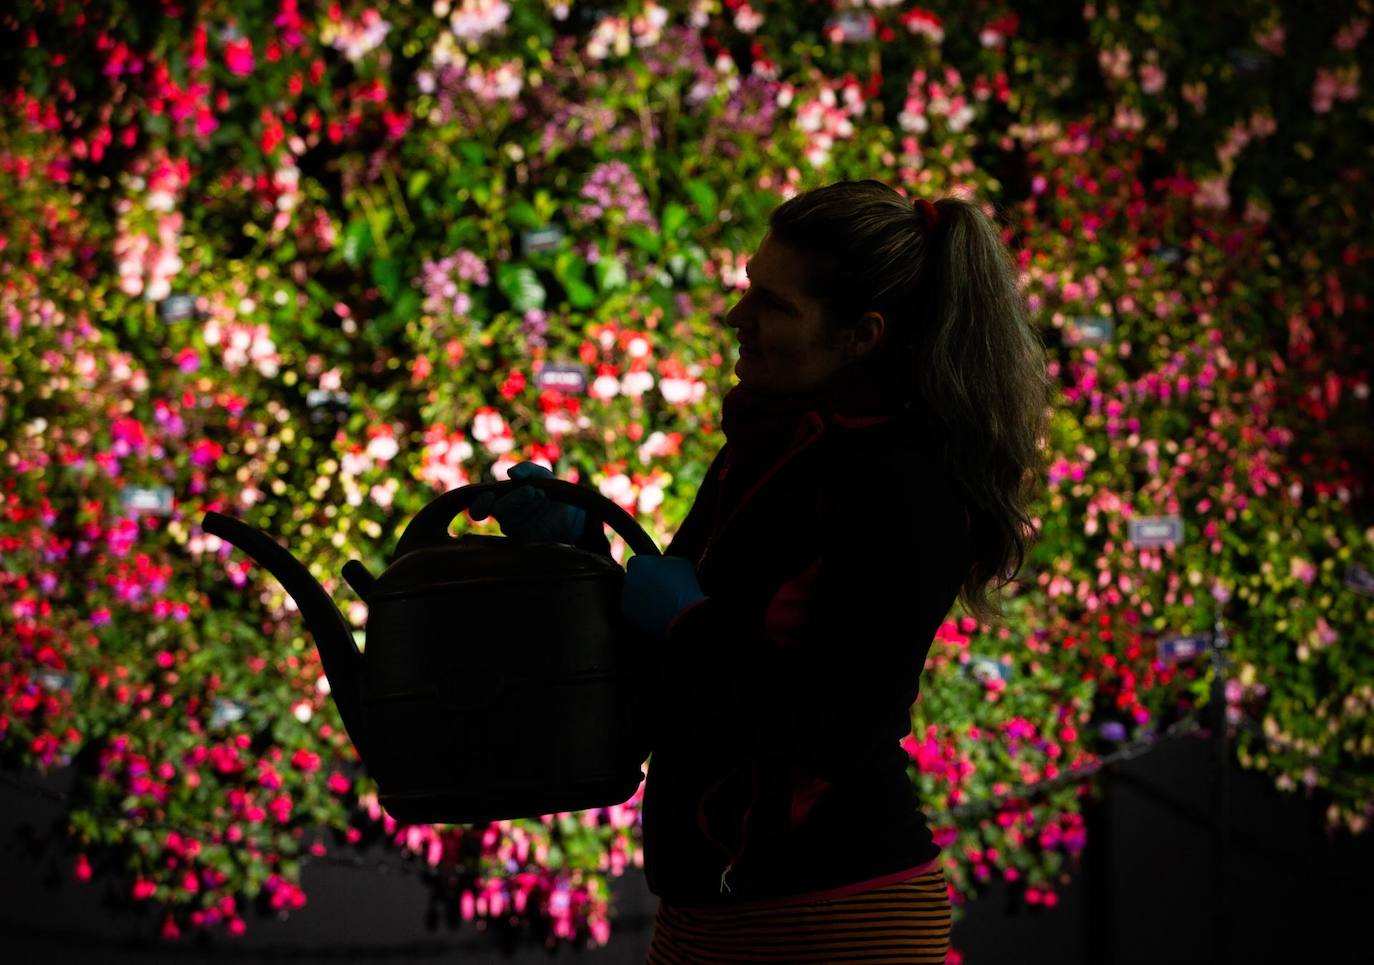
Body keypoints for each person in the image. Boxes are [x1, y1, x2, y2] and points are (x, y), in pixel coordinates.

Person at [470, 179, 1052, 963]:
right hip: (713, 909)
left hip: (835, 918)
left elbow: (840, 728)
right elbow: (676, 657)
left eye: (774, 304)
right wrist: (580, 554)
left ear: (860, 335)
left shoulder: (907, 484)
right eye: (750, 288)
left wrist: (688, 621)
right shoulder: (767, 444)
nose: (738, 318)